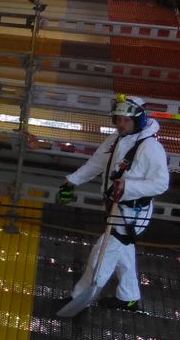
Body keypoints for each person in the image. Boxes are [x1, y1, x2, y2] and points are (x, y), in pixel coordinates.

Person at [55, 95, 170, 312]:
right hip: (117, 208)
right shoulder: (117, 139)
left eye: (125, 120)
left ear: (139, 120)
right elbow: (97, 163)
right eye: (117, 119)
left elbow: (161, 184)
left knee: (102, 254)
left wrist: (128, 187)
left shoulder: (150, 148)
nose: (120, 124)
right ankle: (129, 298)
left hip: (133, 213)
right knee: (123, 255)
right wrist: (72, 181)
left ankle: (78, 300)